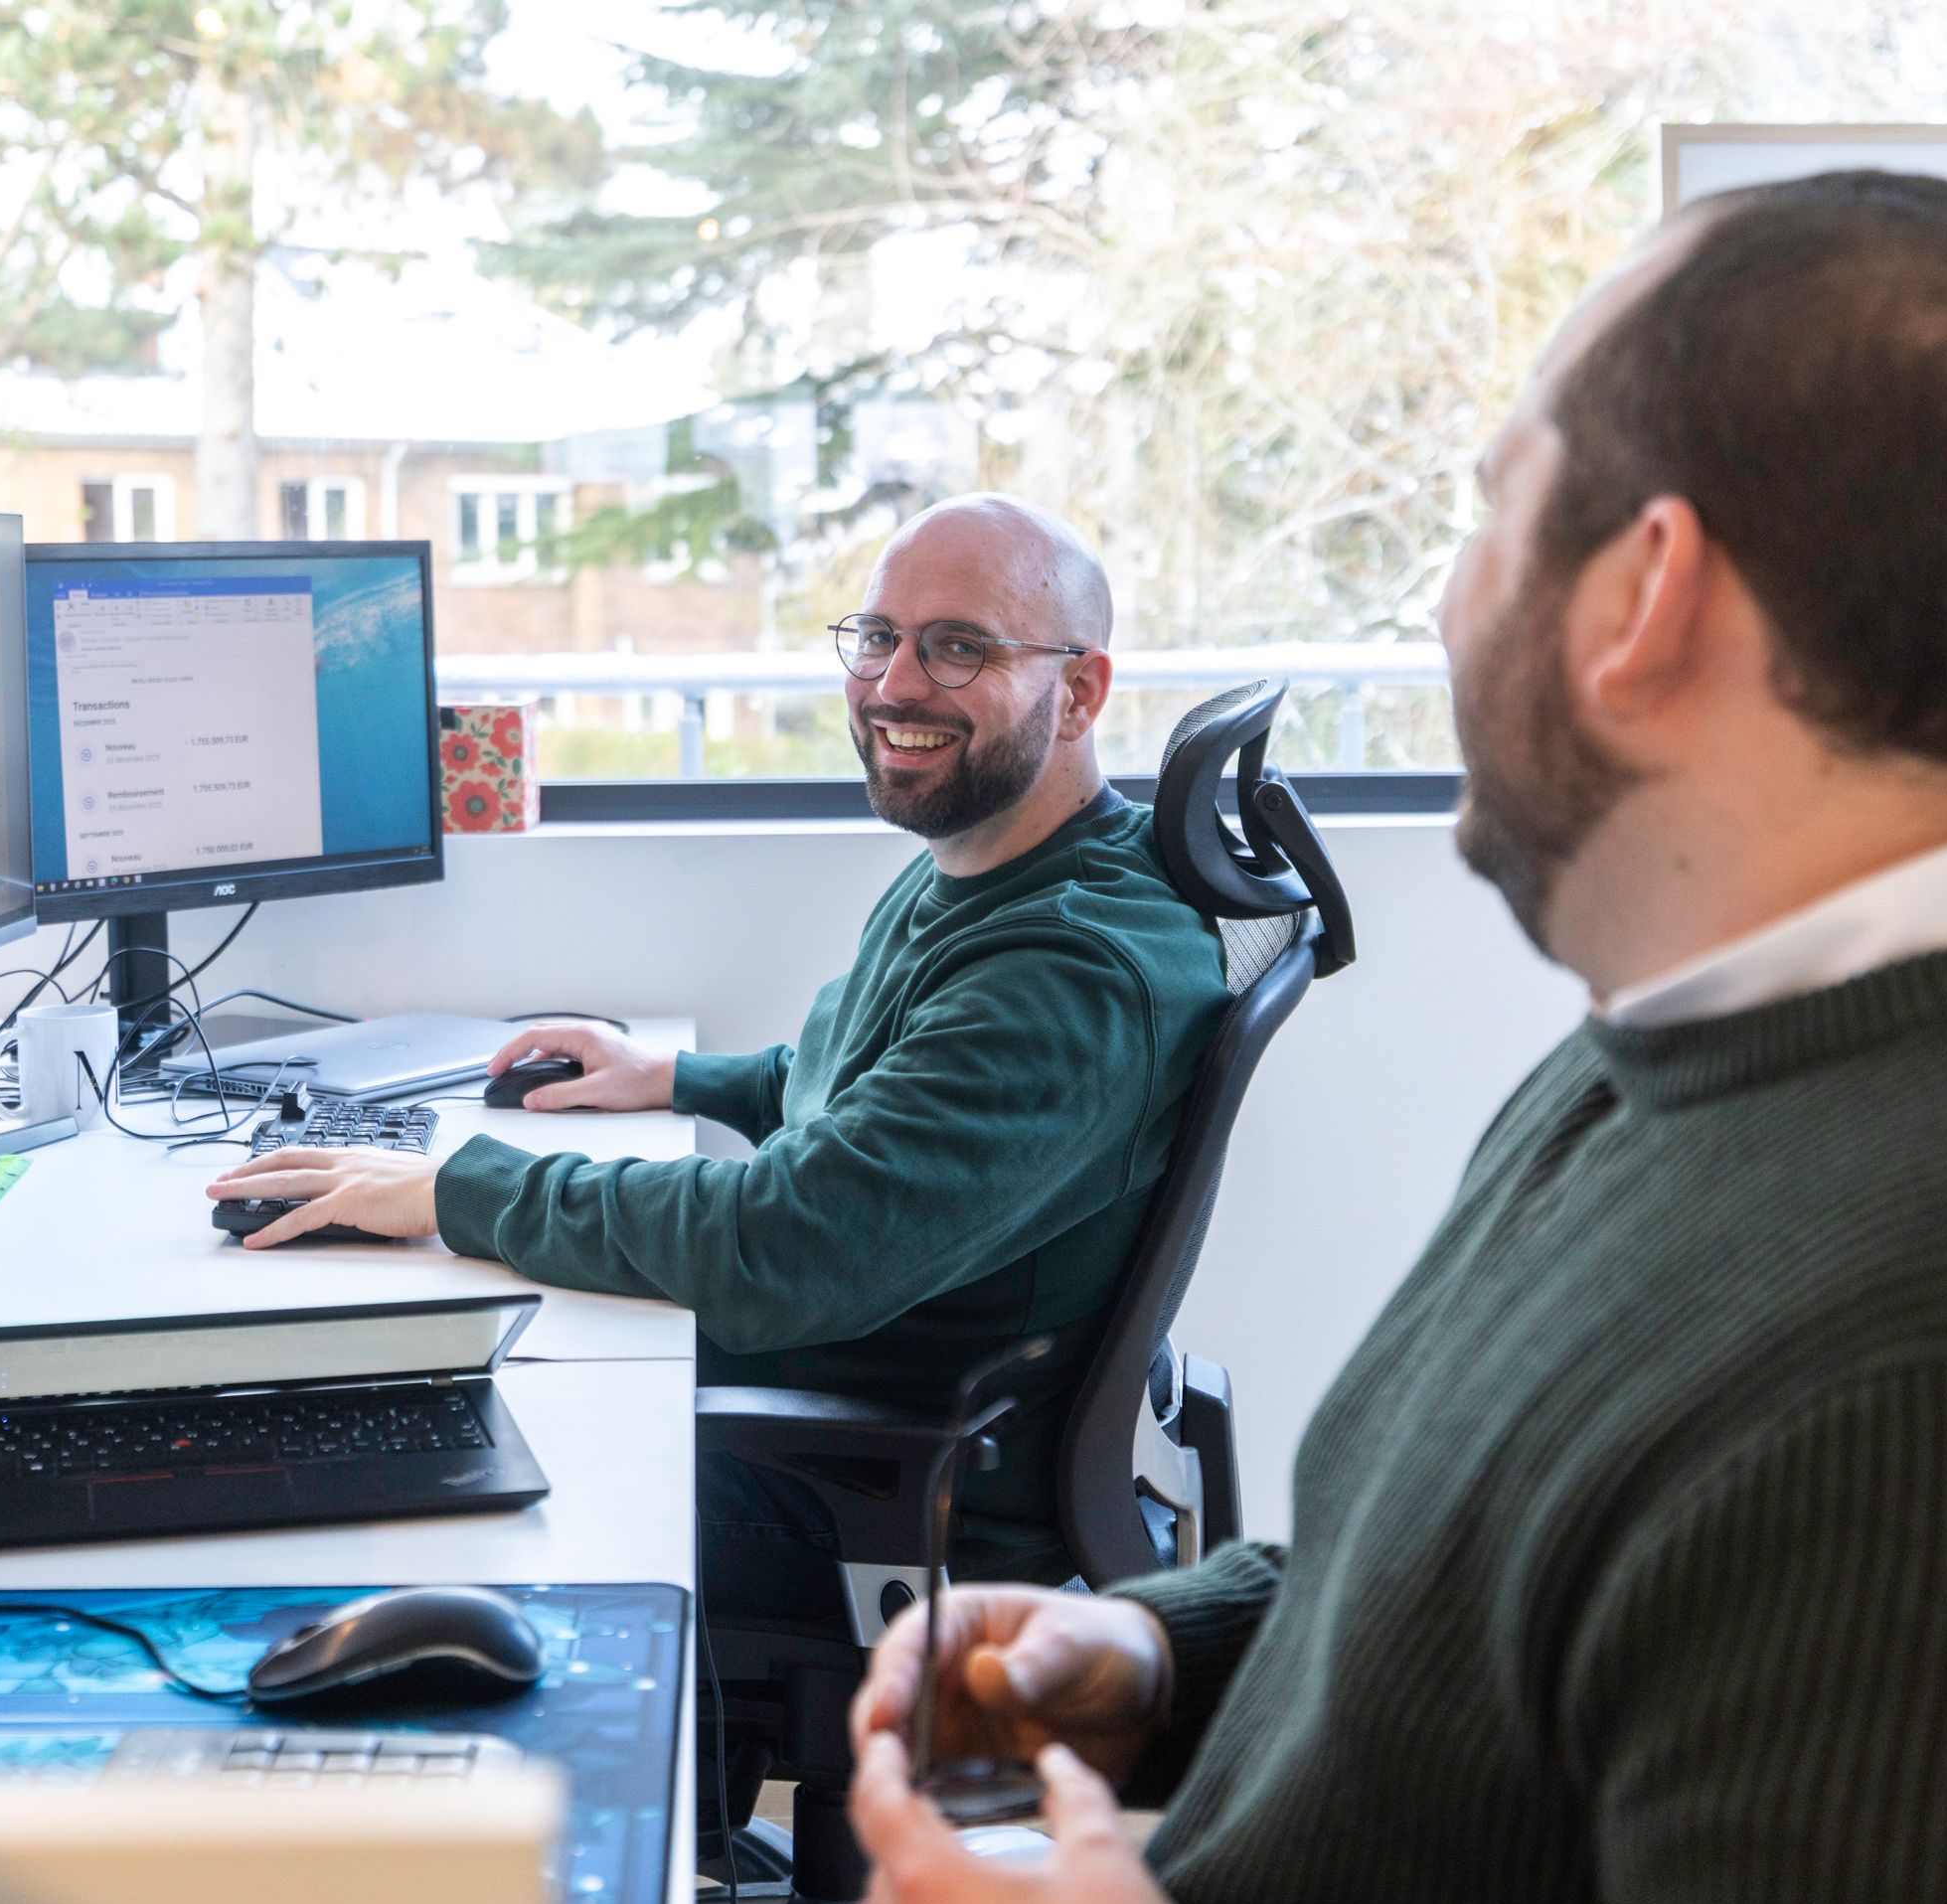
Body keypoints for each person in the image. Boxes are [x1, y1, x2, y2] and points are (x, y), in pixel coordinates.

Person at [840, 171, 1947, 1904]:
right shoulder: (1699, 1033)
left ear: (1647, 588)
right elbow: (1557, 1557)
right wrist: (1163, 1651)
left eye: (1491, 509)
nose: (1448, 597)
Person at [209, 494, 1230, 1595]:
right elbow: (877, 1093)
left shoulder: (1067, 973)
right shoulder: (996, 863)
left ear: (1078, 692)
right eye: (878, 636)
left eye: (957, 648)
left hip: (870, 1497)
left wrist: (452, 1190)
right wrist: (674, 1078)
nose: (893, 685)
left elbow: (781, 1244)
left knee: (381, 1489)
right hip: (830, 1402)